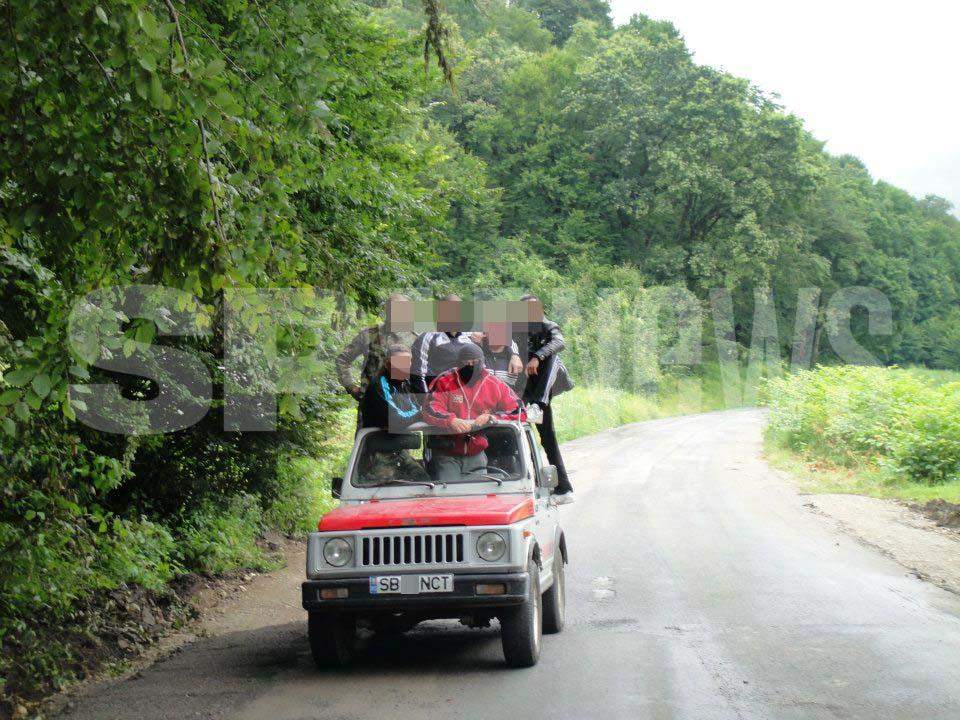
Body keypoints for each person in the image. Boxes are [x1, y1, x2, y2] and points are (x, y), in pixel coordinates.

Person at [423, 343, 524, 483]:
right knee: (450, 498)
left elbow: (519, 411)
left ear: (482, 363)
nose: (470, 366)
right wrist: (450, 420)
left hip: (477, 452)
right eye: (466, 363)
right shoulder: (444, 381)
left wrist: (493, 417)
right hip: (447, 453)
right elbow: (429, 407)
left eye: (475, 363)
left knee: (478, 499)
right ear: (459, 364)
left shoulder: (494, 384)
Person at [515, 294, 574, 501]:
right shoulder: (514, 327)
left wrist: (537, 357)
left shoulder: (548, 326)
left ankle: (564, 488)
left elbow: (559, 341)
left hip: (544, 386)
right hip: (522, 387)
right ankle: (526, 484)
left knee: (548, 437)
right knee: (518, 435)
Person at [336, 293, 416, 427]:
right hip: (370, 403)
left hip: (400, 405)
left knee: (401, 444)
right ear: (386, 309)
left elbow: (420, 372)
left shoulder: (414, 339)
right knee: (367, 444)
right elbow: (343, 359)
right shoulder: (369, 335)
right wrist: (351, 387)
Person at [410, 294, 475, 394]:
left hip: (462, 400)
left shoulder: (468, 341)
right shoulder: (428, 338)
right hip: (436, 398)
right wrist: (427, 401)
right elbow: (417, 374)